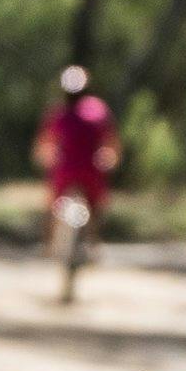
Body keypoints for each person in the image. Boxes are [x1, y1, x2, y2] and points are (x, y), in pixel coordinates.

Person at [36, 64, 118, 296]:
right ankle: (94, 242)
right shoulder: (98, 111)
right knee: (96, 208)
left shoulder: (58, 113)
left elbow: (44, 146)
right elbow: (111, 145)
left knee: (52, 207)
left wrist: (46, 159)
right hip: (92, 173)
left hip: (64, 172)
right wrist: (110, 159)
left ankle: (50, 243)